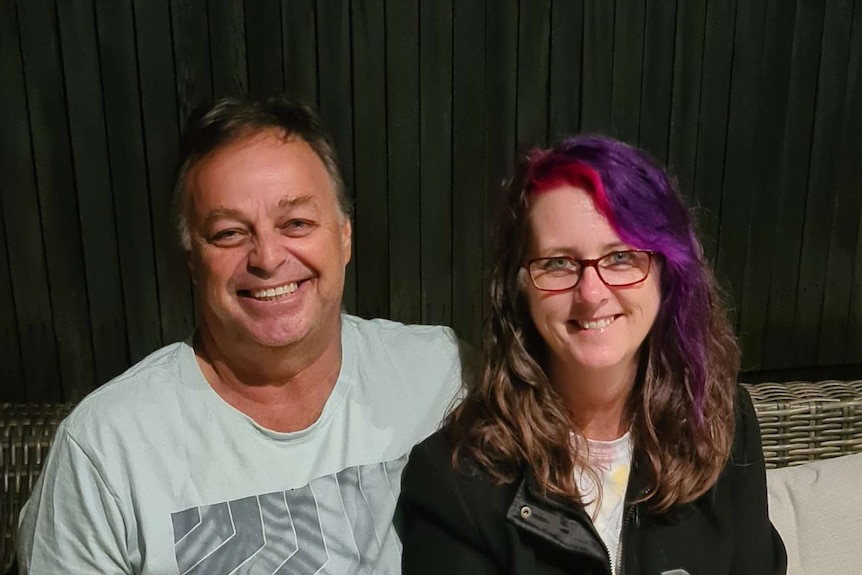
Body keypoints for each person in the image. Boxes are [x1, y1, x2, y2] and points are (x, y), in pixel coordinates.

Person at [17, 95, 467, 574]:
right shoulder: (105, 450)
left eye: (296, 222)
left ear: (344, 237)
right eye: (230, 233)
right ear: (193, 260)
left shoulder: (446, 374)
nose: (268, 258)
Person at [398, 135, 786, 574]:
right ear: (519, 289)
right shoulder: (453, 482)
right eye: (558, 263)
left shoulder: (720, 420)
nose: (591, 293)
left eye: (620, 257)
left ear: (666, 272)